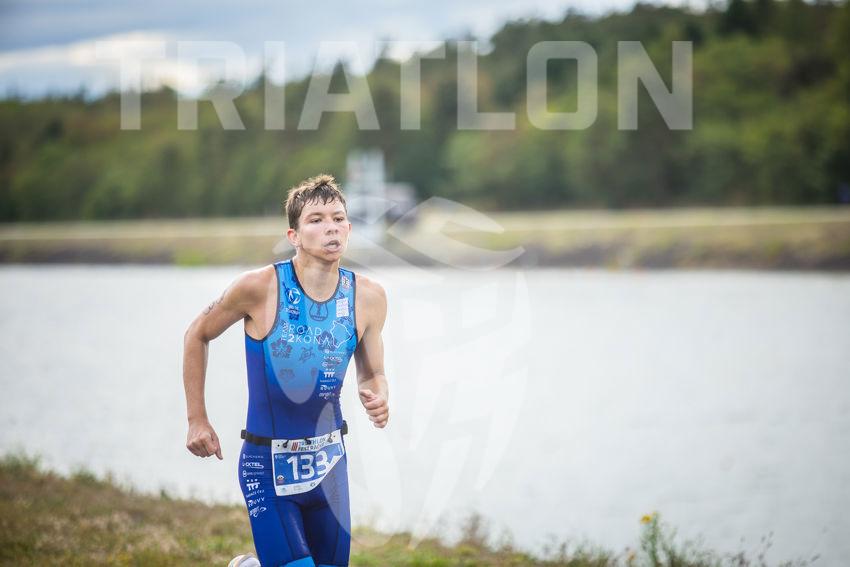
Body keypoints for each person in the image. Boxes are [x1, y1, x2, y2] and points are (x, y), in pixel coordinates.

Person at [182, 174, 389, 567]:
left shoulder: (368, 297)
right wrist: (197, 419)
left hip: (330, 466)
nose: (330, 227)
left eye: (338, 219)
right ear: (293, 235)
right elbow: (197, 334)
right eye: (316, 220)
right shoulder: (259, 287)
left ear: (348, 229)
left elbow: (373, 373)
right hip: (268, 466)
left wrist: (379, 395)